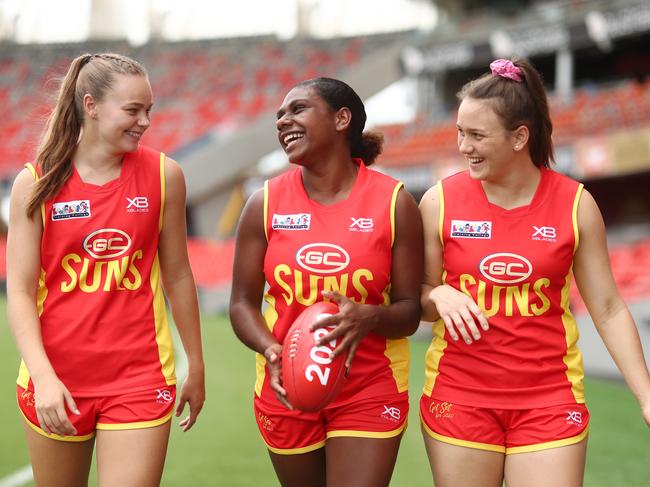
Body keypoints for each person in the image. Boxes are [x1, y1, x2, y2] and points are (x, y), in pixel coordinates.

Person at [418, 57, 650, 487]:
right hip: (460, 396)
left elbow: (609, 308)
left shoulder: (576, 204)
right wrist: (436, 295)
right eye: (459, 133)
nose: (463, 146)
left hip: (549, 399)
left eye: (476, 135)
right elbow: (416, 298)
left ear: (520, 136)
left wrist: (646, 394)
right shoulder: (438, 202)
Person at [6, 52, 205, 486]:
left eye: (149, 109)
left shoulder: (165, 175)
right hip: (55, 379)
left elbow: (178, 275)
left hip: (139, 377)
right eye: (133, 110)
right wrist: (42, 377)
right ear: (91, 105)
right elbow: (19, 291)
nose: (145, 121)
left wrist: (197, 363)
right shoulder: (35, 181)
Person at [229, 77, 423, 486]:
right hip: (286, 386)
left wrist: (369, 317)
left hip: (370, 386)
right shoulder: (263, 203)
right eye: (279, 115)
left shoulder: (394, 202)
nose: (283, 121)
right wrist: (271, 350)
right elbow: (242, 303)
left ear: (342, 119)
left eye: (297, 109)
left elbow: (409, 310)